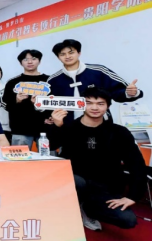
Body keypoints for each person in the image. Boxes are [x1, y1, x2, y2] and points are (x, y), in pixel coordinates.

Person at [47, 88, 146, 231]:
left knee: (127, 220)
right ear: (81, 104)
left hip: (103, 189)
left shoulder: (119, 132)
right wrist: (57, 126)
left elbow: (136, 164)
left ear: (108, 106)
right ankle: (72, 206)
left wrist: (132, 196)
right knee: (77, 182)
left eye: (100, 104)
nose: (94, 107)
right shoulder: (69, 127)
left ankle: (86, 209)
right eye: (89, 103)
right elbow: (51, 145)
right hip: (74, 184)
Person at [48, 39, 143, 124]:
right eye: (62, 54)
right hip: (69, 127)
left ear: (79, 53)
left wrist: (130, 93)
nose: (67, 56)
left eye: (71, 52)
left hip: (101, 125)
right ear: (58, 57)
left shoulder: (99, 71)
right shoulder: (53, 80)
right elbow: (48, 103)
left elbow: (118, 91)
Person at [2, 49, 50, 150]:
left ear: (39, 61)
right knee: (20, 158)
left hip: (45, 127)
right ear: (21, 63)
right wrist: (16, 100)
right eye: (25, 59)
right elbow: (5, 104)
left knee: (49, 157)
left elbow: (56, 102)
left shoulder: (49, 80)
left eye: (34, 59)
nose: (30, 62)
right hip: (20, 128)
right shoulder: (12, 82)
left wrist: (49, 115)